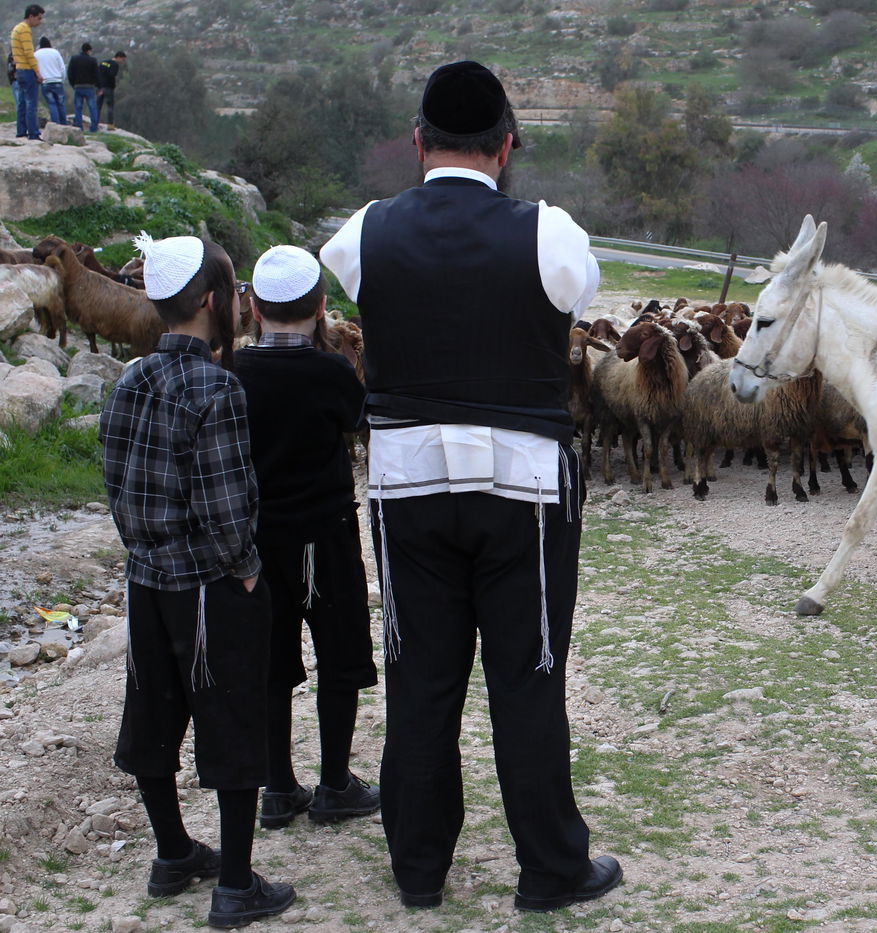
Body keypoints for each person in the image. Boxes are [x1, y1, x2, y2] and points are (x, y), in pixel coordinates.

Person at [320, 60, 620, 913]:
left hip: (407, 486)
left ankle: (418, 869)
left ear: (417, 142)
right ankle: (550, 868)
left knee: (420, 679)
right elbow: (574, 302)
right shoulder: (551, 233)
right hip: (524, 491)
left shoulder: (362, 234)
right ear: (507, 145)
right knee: (528, 678)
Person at [99, 233, 297, 929]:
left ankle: (173, 853)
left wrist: (142, 551)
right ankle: (236, 886)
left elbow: (115, 482)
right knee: (234, 720)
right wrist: (246, 570)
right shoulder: (217, 387)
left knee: (152, 712)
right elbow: (226, 502)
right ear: (213, 301)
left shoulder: (129, 379)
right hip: (212, 585)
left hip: (148, 581)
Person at [232, 245, 381, 833]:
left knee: (271, 661)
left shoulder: (235, 372)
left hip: (258, 544)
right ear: (321, 307)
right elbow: (359, 421)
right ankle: (335, 784)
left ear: (254, 308)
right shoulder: (331, 372)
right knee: (338, 657)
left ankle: (277, 787)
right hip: (324, 539)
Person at [8, 5, 43, 140]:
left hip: (19, 69)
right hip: (27, 69)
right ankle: (33, 133)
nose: (40, 22)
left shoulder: (17, 28)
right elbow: (29, 53)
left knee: (22, 103)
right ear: (31, 16)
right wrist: (37, 72)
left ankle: (21, 131)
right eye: (38, 18)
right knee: (31, 103)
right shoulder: (25, 30)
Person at [67, 41, 99, 132]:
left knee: (78, 107)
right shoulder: (93, 60)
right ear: (89, 51)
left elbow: (70, 73)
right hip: (89, 87)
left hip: (78, 86)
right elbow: (96, 74)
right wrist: (96, 85)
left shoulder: (74, 59)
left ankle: (78, 126)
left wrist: (73, 84)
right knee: (92, 107)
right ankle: (94, 127)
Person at [34, 36, 65, 126]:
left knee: (52, 104)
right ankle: (64, 124)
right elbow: (62, 68)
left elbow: (35, 69)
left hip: (45, 82)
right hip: (57, 80)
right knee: (61, 103)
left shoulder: (36, 54)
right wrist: (62, 79)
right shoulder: (55, 52)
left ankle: (55, 124)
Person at [96, 48, 124, 128]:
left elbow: (97, 74)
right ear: (118, 57)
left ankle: (95, 123)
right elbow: (112, 75)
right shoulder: (115, 65)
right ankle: (110, 125)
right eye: (122, 59)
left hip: (100, 88)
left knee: (98, 106)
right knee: (110, 106)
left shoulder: (103, 63)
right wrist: (112, 85)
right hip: (108, 88)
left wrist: (98, 86)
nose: (122, 62)